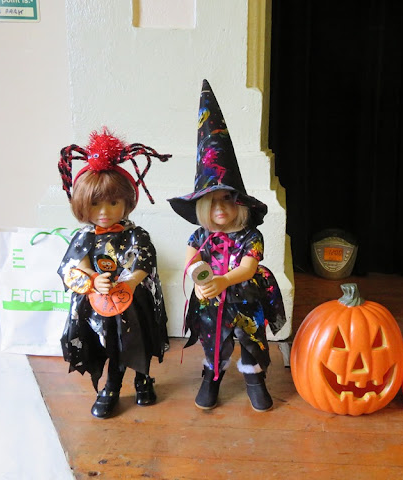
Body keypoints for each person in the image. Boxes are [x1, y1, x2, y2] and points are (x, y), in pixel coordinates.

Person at [168, 80, 287, 412]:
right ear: (203, 207)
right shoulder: (201, 236)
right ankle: (212, 377)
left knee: (251, 341)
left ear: (240, 203)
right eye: (212, 201)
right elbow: (192, 258)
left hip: (246, 298)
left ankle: (254, 380)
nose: (220, 207)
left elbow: (248, 268)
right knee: (213, 341)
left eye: (227, 199)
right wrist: (200, 277)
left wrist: (224, 280)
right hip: (212, 301)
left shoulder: (250, 236)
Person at [57, 128, 170, 418]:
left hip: (132, 299)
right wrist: (94, 279)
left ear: (126, 203)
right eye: (95, 204)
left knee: (139, 339)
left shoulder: (136, 234)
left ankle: (143, 378)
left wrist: (129, 284)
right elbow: (74, 264)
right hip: (98, 302)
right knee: (109, 344)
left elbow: (144, 263)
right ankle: (112, 385)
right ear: (82, 205)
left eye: (113, 203)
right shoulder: (84, 236)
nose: (104, 211)